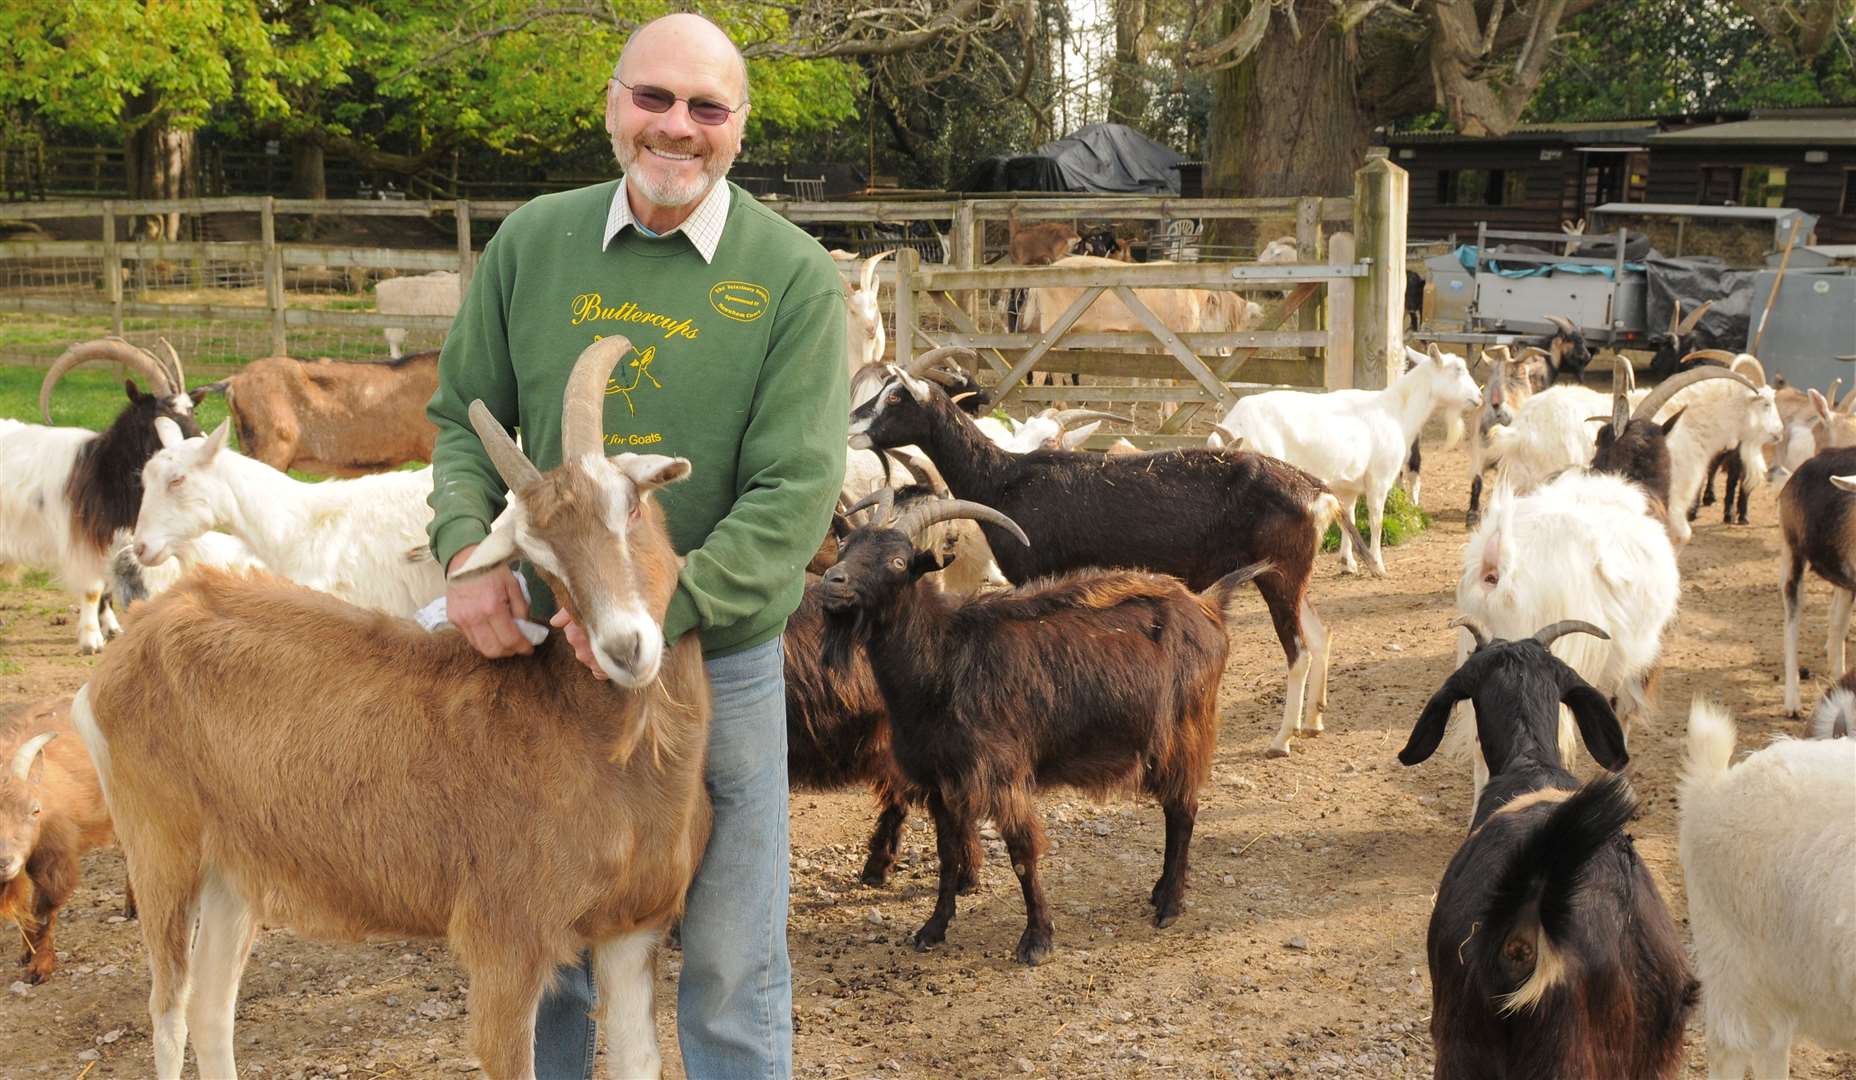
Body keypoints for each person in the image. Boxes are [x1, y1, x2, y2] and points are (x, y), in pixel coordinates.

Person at [424, 13, 848, 1078]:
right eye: (653, 98)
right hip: (541, 658)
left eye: (706, 108)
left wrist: (650, 612)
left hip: (721, 663)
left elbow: (793, 492)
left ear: (738, 129)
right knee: (546, 936)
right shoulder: (533, 243)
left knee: (727, 954)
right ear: (612, 105)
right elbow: (459, 421)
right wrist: (465, 555)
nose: (677, 128)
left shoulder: (790, 276)